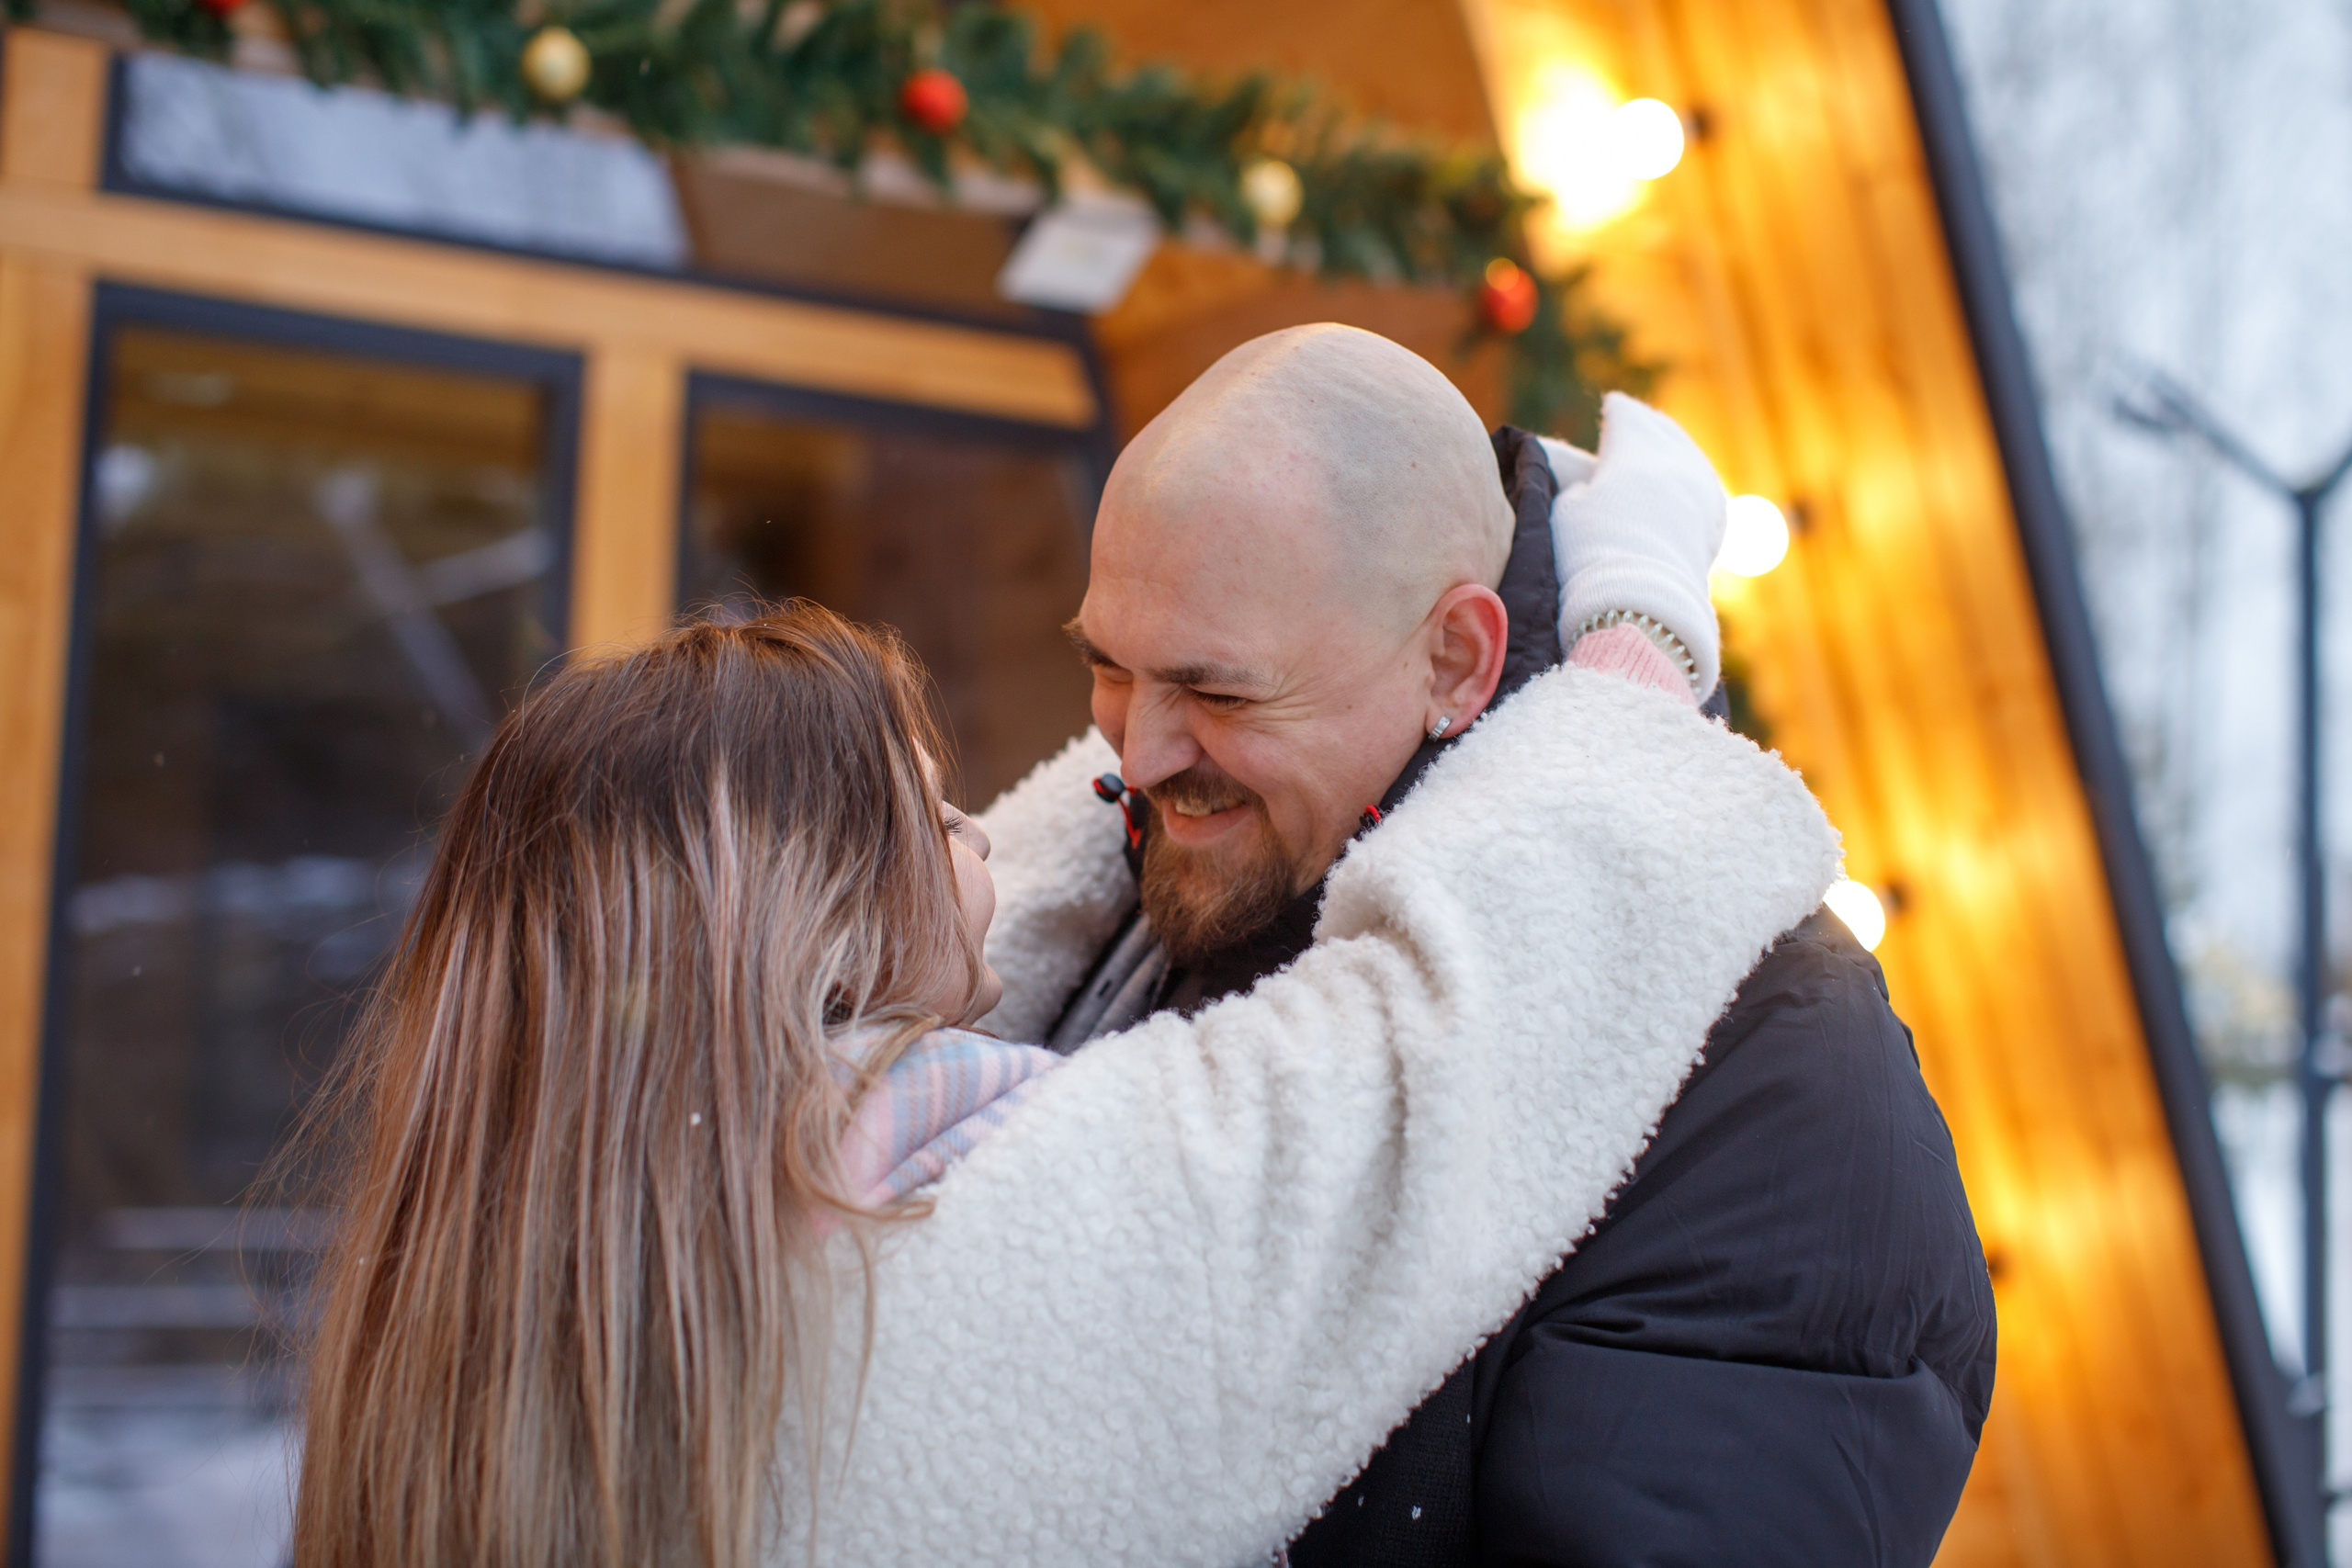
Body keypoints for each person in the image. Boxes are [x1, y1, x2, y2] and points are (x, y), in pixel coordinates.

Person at [290, 598, 1840, 1567]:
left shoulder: (517, 1276)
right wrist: (1635, 661)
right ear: (818, 929)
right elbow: (1408, 1068)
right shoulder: (912, 1283)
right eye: (939, 812)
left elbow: (1006, 902)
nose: (1002, 833)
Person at [977, 323, 1997, 1565]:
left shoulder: (1765, 1079)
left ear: (1454, 660)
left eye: (1221, 692)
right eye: (1110, 670)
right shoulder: (1139, 892)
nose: (1136, 758)